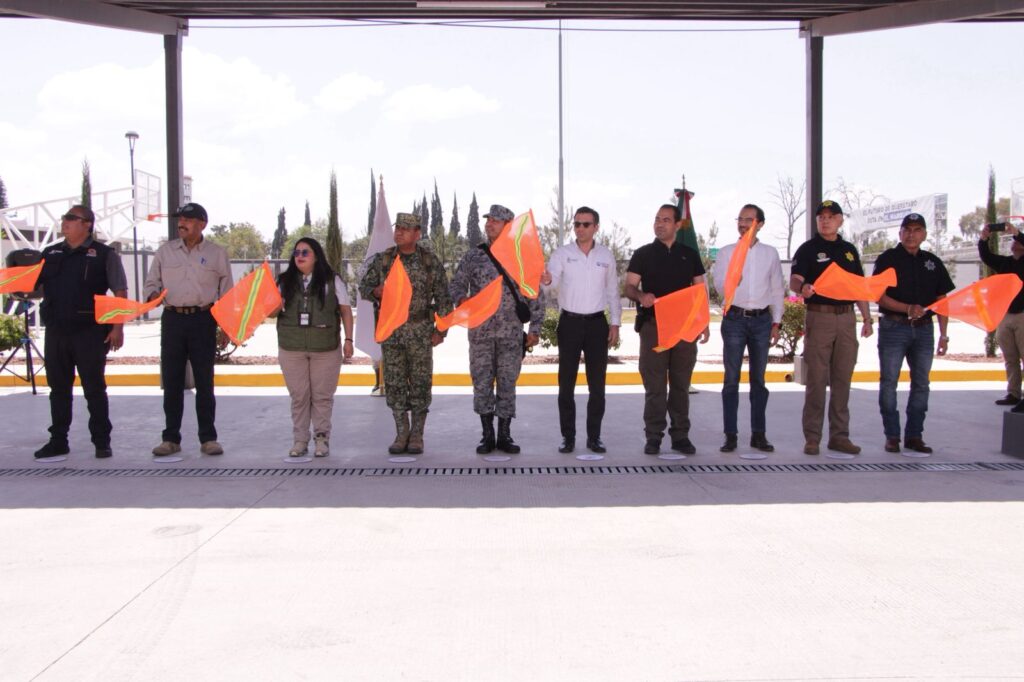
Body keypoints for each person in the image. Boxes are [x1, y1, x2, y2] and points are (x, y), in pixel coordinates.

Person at [34, 205, 128, 459]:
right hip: (56, 331)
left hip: (90, 332)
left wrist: (117, 327)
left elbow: (120, 291)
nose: (64, 222)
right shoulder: (50, 253)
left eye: (70, 218)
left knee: (94, 389)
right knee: (58, 389)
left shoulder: (104, 254)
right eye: (64, 218)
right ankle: (58, 441)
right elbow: (35, 288)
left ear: (87, 224)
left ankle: (101, 441)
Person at [450, 204, 543, 455]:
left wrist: (535, 328)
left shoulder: (521, 257)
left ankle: (504, 434)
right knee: (481, 383)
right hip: (480, 333)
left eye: (495, 220)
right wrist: (462, 300)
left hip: (510, 334)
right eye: (488, 220)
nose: (489, 224)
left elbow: (535, 293)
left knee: (507, 384)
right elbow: (456, 285)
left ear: (508, 225)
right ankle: (487, 435)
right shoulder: (474, 256)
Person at [144, 203, 233, 457]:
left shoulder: (217, 254)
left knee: (205, 381)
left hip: (203, 320)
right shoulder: (165, 252)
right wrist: (152, 295)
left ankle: (208, 438)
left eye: (187, 219)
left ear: (202, 224)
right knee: (172, 381)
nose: (181, 223)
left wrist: (227, 326)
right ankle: (170, 439)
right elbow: (151, 283)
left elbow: (227, 293)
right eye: (180, 219)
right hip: (173, 320)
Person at [359, 212, 452, 455]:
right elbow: (364, 287)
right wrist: (375, 291)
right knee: (395, 383)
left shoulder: (429, 261)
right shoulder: (384, 260)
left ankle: (417, 435)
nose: (399, 232)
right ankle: (401, 433)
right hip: (392, 333)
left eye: (405, 228)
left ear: (417, 234)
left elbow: (444, 298)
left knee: (421, 383)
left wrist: (441, 331)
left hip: (420, 332)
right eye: (397, 228)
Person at [624, 203, 710, 456]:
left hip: (684, 330)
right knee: (655, 386)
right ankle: (653, 437)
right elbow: (629, 287)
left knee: (681, 385)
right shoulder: (643, 254)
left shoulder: (689, 254)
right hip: (654, 328)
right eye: (657, 219)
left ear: (677, 225)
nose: (659, 224)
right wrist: (641, 296)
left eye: (665, 220)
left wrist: (703, 323)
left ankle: (680, 436)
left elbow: (700, 291)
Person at [789, 200, 873, 456]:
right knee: (816, 379)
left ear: (840, 220)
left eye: (830, 216)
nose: (825, 221)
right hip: (820, 317)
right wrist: (802, 288)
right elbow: (794, 281)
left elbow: (858, 287)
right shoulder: (808, 249)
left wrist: (867, 318)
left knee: (842, 379)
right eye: (821, 217)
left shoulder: (849, 251)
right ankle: (812, 438)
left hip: (846, 319)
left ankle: (840, 436)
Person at [541, 206, 622, 454]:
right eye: (576, 224)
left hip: (597, 324)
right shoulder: (562, 254)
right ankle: (568, 437)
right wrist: (547, 281)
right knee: (566, 384)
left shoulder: (606, 256)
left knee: (597, 386)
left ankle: (594, 437)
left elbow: (613, 292)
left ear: (596, 227)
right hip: (570, 323)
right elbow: (551, 285)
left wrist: (615, 323)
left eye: (586, 224)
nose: (580, 228)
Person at [873, 213, 954, 453]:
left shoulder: (933, 262)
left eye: (917, 230)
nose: (911, 234)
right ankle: (892, 436)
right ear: (900, 233)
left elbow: (942, 300)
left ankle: (914, 436)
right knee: (889, 382)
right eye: (907, 229)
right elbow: (878, 296)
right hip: (894, 328)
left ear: (924, 234)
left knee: (921, 384)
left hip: (924, 330)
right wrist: (906, 308)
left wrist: (944, 334)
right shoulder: (888, 259)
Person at [711, 204, 784, 454]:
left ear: (760, 224)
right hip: (734, 318)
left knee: (758, 381)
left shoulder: (770, 253)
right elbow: (719, 286)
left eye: (748, 220)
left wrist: (776, 322)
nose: (743, 224)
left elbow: (777, 289)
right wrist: (732, 282)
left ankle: (758, 434)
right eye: (740, 219)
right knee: (731, 379)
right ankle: (730, 435)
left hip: (762, 321)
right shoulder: (726, 252)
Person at [274, 237, 354, 457]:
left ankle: (321, 439)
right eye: (296, 252)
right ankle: (300, 440)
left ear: (316, 256)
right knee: (299, 396)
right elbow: (271, 312)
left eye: (305, 252)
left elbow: (345, 310)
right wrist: (273, 303)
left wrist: (349, 340)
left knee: (322, 396)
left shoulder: (332, 280)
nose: (299, 256)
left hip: (325, 348)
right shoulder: (283, 281)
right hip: (292, 347)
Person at [978, 223, 1024, 409]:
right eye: (1013, 240)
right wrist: (984, 238)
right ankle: (1014, 393)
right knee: (1010, 357)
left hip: (1023, 315)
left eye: (1018, 241)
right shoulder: (1006, 263)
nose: (1014, 242)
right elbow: (986, 256)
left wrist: (1017, 233)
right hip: (1006, 315)